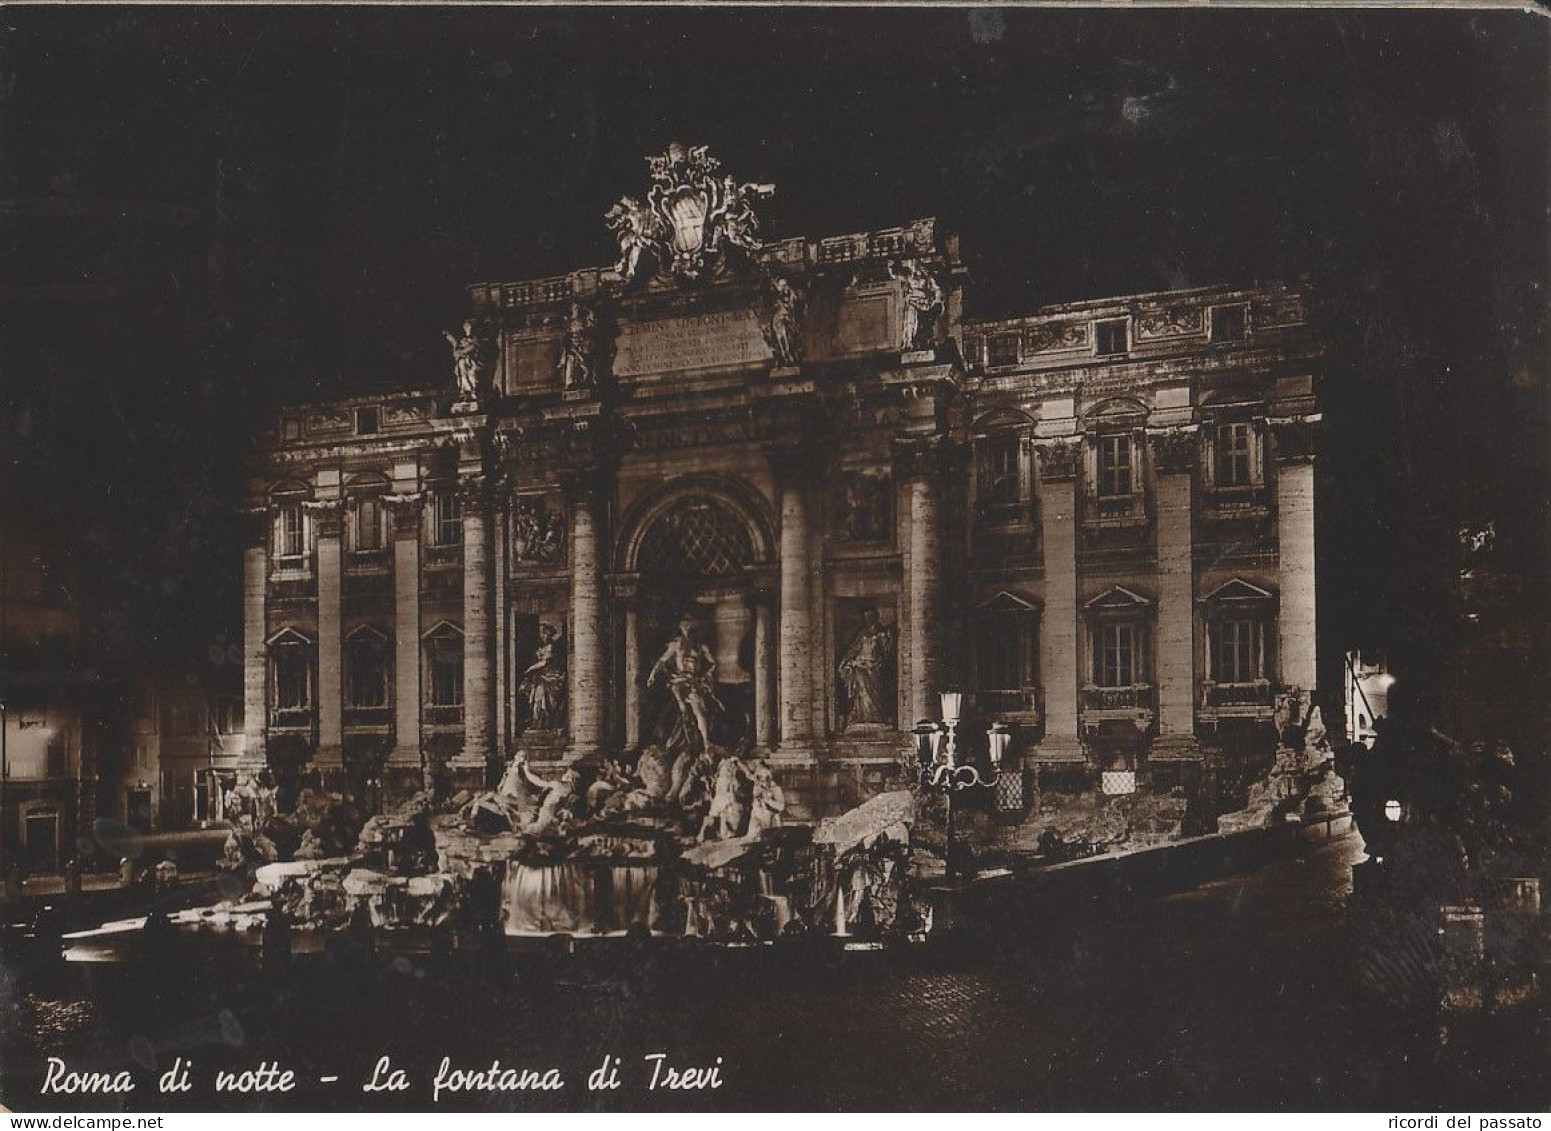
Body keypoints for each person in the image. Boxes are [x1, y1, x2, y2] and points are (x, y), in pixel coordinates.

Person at [648, 616, 722, 754]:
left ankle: (706, 743)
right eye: (684, 626)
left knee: (699, 710)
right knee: (680, 705)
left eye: (690, 626)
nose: (687, 629)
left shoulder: (700, 646)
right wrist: (652, 674)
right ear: (681, 628)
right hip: (679, 680)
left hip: (694, 681)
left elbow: (713, 663)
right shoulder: (676, 644)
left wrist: (707, 675)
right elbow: (662, 661)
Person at [838, 608, 894, 728]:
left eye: (870, 615)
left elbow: (886, 652)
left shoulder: (882, 632)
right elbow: (854, 649)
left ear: (876, 616)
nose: (868, 618)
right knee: (861, 691)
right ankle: (862, 715)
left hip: (874, 666)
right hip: (861, 665)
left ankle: (876, 716)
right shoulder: (862, 633)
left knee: (875, 692)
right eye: (866, 616)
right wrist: (850, 661)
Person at [519, 623, 566, 731]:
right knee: (536, 699)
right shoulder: (541, 648)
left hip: (551, 677)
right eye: (542, 633)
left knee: (543, 701)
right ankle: (537, 724)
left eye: (546, 633)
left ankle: (543, 724)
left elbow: (545, 662)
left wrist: (530, 669)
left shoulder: (551, 647)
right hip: (540, 677)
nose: (544, 636)